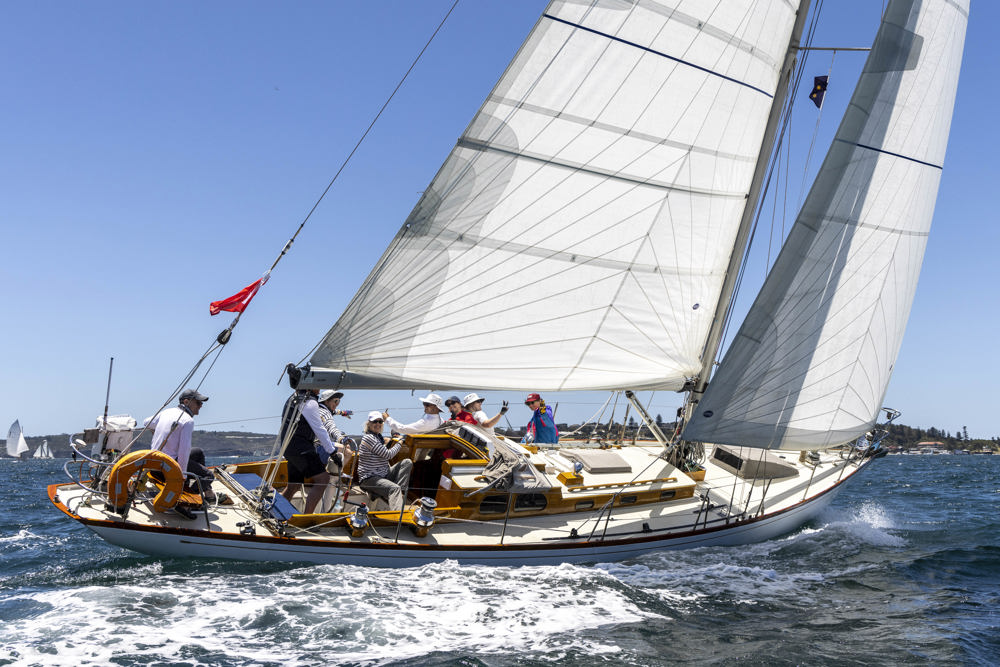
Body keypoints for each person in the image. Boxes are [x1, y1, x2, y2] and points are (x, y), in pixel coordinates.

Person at [145, 388, 210, 518]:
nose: (201, 406)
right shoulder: (187, 421)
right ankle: (185, 501)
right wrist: (182, 476)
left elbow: (146, 422)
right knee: (208, 476)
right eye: (198, 403)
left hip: (154, 462)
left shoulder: (166, 412)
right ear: (186, 402)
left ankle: (207, 492)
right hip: (167, 468)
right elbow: (184, 450)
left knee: (198, 452)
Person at [279, 389, 342, 514]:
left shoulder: (294, 397)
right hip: (301, 448)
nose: (319, 388)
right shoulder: (310, 402)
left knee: (294, 485)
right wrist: (332, 453)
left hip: (289, 447)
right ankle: (307, 517)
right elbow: (319, 428)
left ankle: (276, 514)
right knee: (323, 479)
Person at [357, 410, 413, 512]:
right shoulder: (369, 438)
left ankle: (397, 495)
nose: (378, 424)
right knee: (394, 488)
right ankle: (397, 514)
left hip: (382, 475)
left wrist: (392, 439)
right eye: (375, 421)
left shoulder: (378, 438)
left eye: (380, 421)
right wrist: (400, 441)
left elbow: (382, 450)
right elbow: (388, 454)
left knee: (407, 463)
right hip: (369, 478)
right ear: (369, 424)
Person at [316, 389, 353, 470]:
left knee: (344, 447)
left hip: (310, 446)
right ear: (326, 401)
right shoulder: (325, 413)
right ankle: (333, 476)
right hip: (317, 448)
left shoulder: (318, 409)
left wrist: (342, 412)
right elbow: (331, 428)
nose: (337, 404)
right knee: (347, 452)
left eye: (338, 402)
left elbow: (334, 411)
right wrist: (341, 438)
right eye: (335, 401)